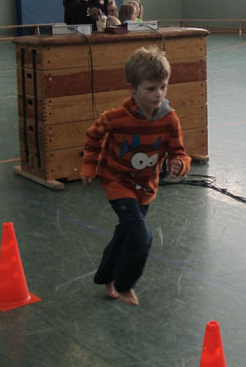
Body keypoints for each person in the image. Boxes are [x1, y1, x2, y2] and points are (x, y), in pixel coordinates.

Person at [81, 46, 191, 306]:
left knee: (125, 233)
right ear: (132, 88)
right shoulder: (116, 118)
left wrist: (180, 164)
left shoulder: (169, 119)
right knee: (142, 238)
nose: (159, 94)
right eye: (151, 89)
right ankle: (125, 284)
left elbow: (179, 151)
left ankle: (105, 277)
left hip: (146, 187)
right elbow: (93, 137)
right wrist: (89, 167)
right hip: (117, 182)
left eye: (163, 87)